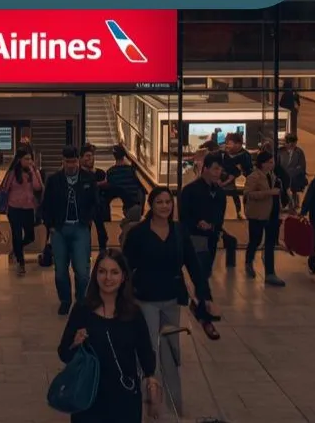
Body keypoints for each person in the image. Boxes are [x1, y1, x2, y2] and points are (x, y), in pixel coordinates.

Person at [122, 187, 215, 413]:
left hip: (172, 297)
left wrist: (205, 295)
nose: (165, 206)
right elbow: (125, 266)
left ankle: (174, 402)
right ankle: (150, 401)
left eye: (168, 202)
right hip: (146, 298)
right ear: (151, 205)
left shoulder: (179, 231)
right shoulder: (139, 233)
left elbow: (192, 263)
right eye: (160, 202)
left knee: (172, 351)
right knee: (150, 350)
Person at [57, 249, 162, 423]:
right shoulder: (82, 310)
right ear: (95, 274)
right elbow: (64, 354)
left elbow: (145, 353)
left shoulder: (133, 313)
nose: (108, 278)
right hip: (88, 398)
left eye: (114, 272)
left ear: (123, 277)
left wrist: (151, 380)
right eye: (102, 271)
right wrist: (75, 344)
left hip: (124, 397)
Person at [41, 146, 102, 315]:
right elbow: (46, 205)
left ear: (78, 161)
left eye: (74, 161)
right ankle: (65, 300)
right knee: (60, 270)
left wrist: (88, 219)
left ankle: (82, 301)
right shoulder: (54, 180)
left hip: (80, 227)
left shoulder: (88, 178)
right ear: (63, 161)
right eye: (67, 162)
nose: (71, 165)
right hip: (59, 229)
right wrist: (50, 225)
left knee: (82, 271)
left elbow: (96, 203)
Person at [178, 157, 226, 328]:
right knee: (201, 270)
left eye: (219, 169)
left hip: (212, 236)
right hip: (195, 237)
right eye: (214, 168)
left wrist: (214, 227)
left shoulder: (219, 192)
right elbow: (183, 215)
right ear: (205, 168)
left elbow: (221, 215)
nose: (217, 172)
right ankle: (206, 305)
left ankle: (201, 303)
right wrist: (198, 223)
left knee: (205, 271)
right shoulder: (190, 190)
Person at [243, 151, 287, 287]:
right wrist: (269, 193)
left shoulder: (273, 176)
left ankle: (270, 273)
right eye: (270, 162)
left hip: (272, 214)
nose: (272, 164)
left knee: (269, 244)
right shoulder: (254, 177)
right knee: (255, 240)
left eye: (272, 162)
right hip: (258, 214)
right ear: (262, 163)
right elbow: (248, 194)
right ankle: (249, 260)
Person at [0, 147, 43, 274]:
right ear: (19, 160)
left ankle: (16, 249)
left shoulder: (33, 171)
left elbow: (37, 186)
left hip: (29, 208)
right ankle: (20, 261)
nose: (29, 161)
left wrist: (34, 171)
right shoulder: (12, 173)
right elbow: (4, 189)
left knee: (30, 236)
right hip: (14, 209)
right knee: (17, 235)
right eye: (26, 159)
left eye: (30, 159)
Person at [104, 144, 145, 246]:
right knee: (130, 229)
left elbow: (111, 190)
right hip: (136, 205)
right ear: (124, 155)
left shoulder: (111, 172)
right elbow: (141, 188)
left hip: (128, 207)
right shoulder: (131, 170)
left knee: (127, 230)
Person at [80, 144, 111, 253]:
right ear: (81, 158)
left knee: (101, 231)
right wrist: (98, 184)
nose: (90, 159)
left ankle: (103, 252)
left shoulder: (100, 173)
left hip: (98, 206)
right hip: (84, 208)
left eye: (92, 156)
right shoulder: (78, 174)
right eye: (87, 156)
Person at [278, 133, 308, 209]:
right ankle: (284, 204)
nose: (292, 145)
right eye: (289, 143)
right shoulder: (280, 151)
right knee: (284, 191)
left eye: (294, 143)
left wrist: (292, 171)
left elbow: (302, 166)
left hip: (294, 177)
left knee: (293, 191)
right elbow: (277, 164)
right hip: (283, 177)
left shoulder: (299, 152)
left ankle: (294, 204)